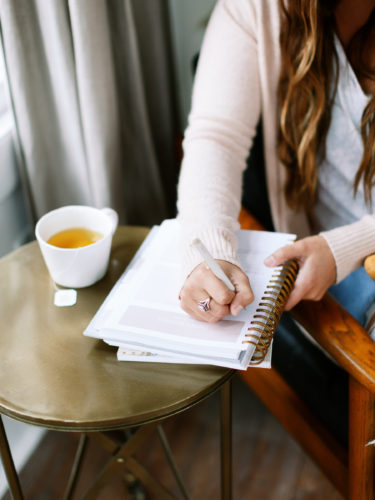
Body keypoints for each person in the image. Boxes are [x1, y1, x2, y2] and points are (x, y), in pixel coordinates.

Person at [176, 0, 375, 328]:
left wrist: (342, 249)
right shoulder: (257, 8)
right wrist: (209, 251)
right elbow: (215, 138)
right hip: (324, 267)